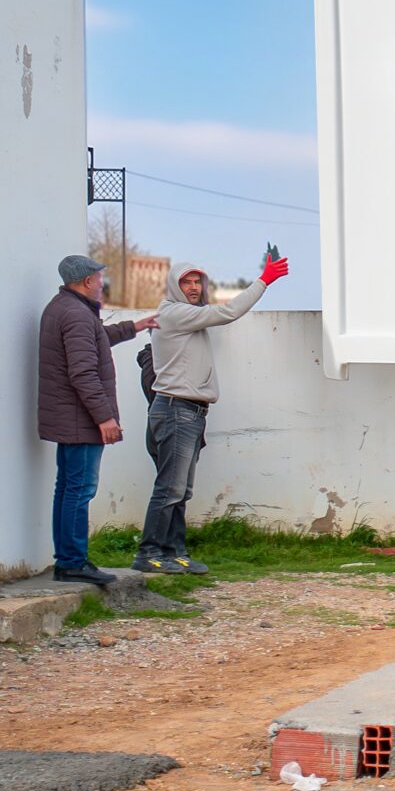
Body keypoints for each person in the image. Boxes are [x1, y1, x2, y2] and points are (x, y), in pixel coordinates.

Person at [132, 252, 287, 574]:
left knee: (180, 490)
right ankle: (148, 554)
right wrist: (265, 280)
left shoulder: (186, 316)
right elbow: (229, 312)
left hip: (188, 412)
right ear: (173, 287)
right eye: (186, 282)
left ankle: (175, 552)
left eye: (197, 282)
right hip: (177, 410)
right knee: (170, 488)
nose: (193, 287)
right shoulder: (174, 313)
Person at [36, 255, 155, 590]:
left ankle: (68, 561)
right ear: (87, 280)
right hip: (81, 419)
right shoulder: (75, 313)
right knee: (80, 489)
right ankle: (73, 563)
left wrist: (135, 326)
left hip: (70, 417)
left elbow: (95, 338)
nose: (102, 282)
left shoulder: (66, 308)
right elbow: (83, 372)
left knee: (68, 488)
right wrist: (104, 418)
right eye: (100, 277)